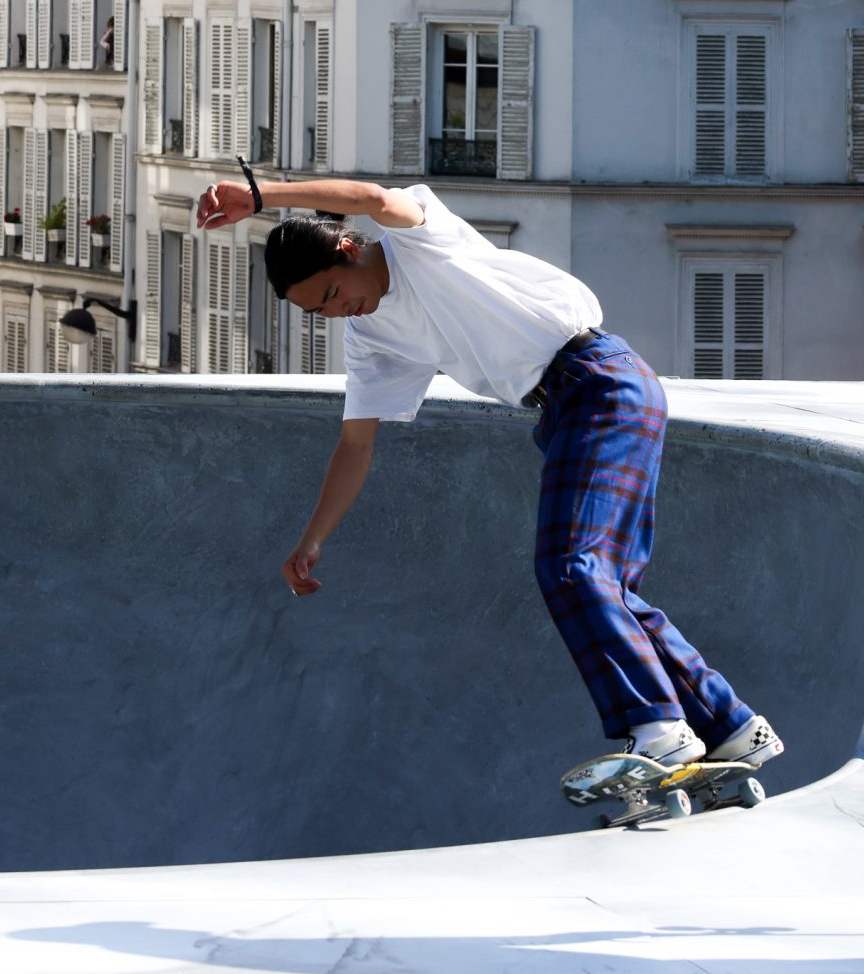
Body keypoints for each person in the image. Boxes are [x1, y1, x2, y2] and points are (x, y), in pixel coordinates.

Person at [196, 171, 782, 776]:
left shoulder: (420, 241)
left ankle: (658, 730)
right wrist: (312, 538)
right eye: (321, 314)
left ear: (346, 251)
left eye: (330, 295)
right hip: (566, 408)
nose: (339, 312)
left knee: (570, 568)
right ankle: (732, 727)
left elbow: (371, 199)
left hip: (600, 381)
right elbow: (355, 444)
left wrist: (262, 196)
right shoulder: (372, 337)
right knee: (605, 584)